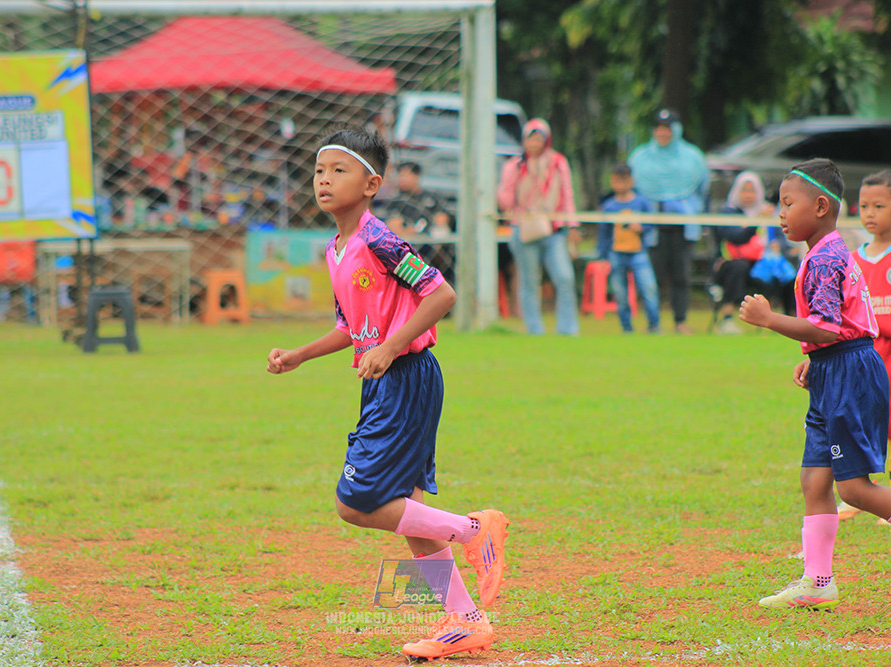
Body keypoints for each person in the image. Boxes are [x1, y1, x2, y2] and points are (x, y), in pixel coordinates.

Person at [265, 127, 508, 659]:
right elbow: (353, 327)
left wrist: (392, 346)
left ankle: (474, 529)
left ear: (371, 183)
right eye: (319, 171)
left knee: (354, 504)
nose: (324, 180)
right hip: (386, 381)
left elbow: (440, 293)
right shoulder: (337, 248)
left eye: (339, 170)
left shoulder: (378, 238)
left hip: (407, 377)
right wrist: (301, 354)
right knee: (408, 514)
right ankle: (466, 621)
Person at [740, 159, 891, 610]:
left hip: (851, 374)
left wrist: (769, 320)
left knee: (853, 488)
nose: (779, 213)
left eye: (787, 203)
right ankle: (818, 581)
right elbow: (832, 330)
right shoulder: (823, 252)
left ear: (819, 206)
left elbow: (828, 327)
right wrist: (813, 362)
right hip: (833, 370)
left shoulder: (829, 257)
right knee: (814, 480)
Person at [837, 171, 891, 523]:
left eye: (879, 206)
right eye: (863, 206)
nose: (869, 213)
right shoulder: (853, 259)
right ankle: (859, 494)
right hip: (861, 356)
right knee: (856, 423)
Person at [497, 118, 580, 336]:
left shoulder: (558, 162)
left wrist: (571, 224)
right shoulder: (514, 165)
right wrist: (517, 171)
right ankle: (534, 329)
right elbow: (505, 199)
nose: (533, 143)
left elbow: (567, 194)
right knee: (529, 281)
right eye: (529, 139)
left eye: (538, 139)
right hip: (524, 229)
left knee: (564, 277)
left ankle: (568, 329)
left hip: (553, 229)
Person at [628, 109, 708, 334]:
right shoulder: (640, 158)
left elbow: (702, 191)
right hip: (651, 228)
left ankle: (680, 320)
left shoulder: (693, 158)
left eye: (667, 129)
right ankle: (652, 322)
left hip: (683, 228)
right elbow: (633, 192)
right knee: (651, 276)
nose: (662, 133)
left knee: (681, 275)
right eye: (658, 128)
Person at [596, 163, 661, 333]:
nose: (621, 185)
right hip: (616, 254)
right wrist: (602, 256)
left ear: (631, 181)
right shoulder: (609, 206)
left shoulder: (641, 202)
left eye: (624, 181)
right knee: (620, 294)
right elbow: (603, 234)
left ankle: (654, 325)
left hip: (638, 252)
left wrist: (641, 228)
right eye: (617, 181)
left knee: (648, 289)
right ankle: (626, 328)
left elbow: (651, 223)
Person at [712, 171, 772, 335]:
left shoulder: (769, 211)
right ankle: (727, 318)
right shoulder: (728, 212)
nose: (748, 195)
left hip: (759, 262)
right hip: (729, 263)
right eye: (744, 190)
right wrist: (756, 222)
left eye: (752, 191)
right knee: (738, 268)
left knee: (779, 270)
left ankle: (777, 321)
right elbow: (737, 237)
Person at [382, 161, 452, 238]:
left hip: (430, 236)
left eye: (405, 175)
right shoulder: (397, 201)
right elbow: (394, 226)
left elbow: (442, 219)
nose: (401, 180)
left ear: (416, 176)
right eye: (400, 176)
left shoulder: (431, 196)